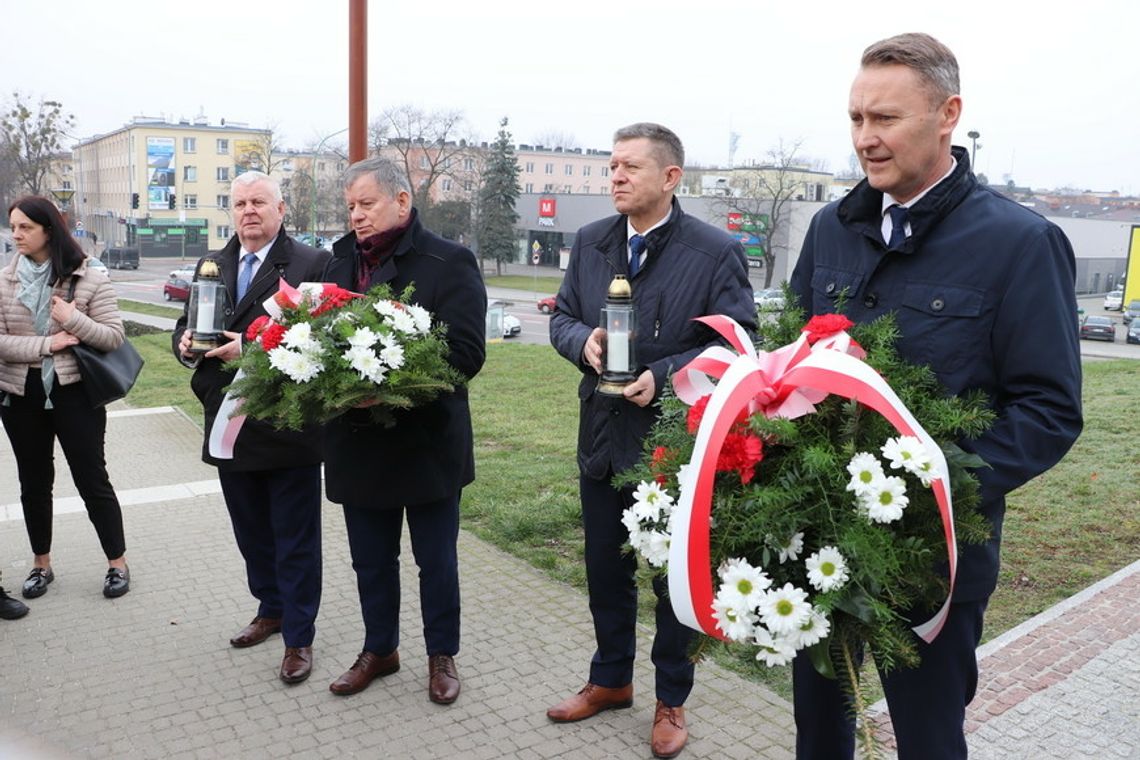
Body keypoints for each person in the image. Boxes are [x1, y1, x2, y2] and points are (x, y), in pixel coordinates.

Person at [788, 33, 1083, 759]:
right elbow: (791, 365)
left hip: (934, 565)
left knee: (927, 739)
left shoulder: (1019, 242)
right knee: (818, 732)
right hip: (823, 544)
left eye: (885, 118)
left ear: (948, 114)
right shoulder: (832, 228)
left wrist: (926, 485)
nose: (865, 138)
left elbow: (1049, 410)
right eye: (856, 119)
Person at [547, 123, 756, 759]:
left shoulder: (714, 251)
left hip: (669, 450)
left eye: (629, 167)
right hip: (601, 440)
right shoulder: (589, 242)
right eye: (612, 165)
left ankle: (672, 700)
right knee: (606, 572)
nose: (615, 177)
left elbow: (736, 342)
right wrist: (579, 341)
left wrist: (661, 377)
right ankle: (611, 680)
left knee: (671, 581)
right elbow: (560, 315)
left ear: (670, 178)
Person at [320, 158, 486, 705]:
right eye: (350, 207)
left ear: (401, 202)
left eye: (366, 204)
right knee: (370, 559)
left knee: (435, 560)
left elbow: (465, 355)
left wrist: (391, 385)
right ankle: (380, 650)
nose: (357, 216)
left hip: (426, 444)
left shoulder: (448, 262)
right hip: (357, 442)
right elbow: (313, 339)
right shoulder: (336, 262)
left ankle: (443, 655)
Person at [172, 171, 329, 685]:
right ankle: (270, 607)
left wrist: (255, 348)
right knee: (251, 532)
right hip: (227, 421)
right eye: (239, 203)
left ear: (281, 208)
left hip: (285, 426)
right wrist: (183, 343)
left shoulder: (310, 263)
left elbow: (319, 341)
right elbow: (187, 323)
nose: (249, 212)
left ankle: (299, 638)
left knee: (295, 538)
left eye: (259, 201)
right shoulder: (213, 263)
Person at [0, 196, 132, 600]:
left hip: (76, 394)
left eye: (25, 227)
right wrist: (48, 343)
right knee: (33, 483)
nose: (16, 235)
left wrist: (72, 318)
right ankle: (42, 564)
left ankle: (117, 563)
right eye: (14, 226)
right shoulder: (5, 280)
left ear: (49, 230)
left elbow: (113, 335)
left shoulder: (90, 276)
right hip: (21, 395)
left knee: (92, 479)